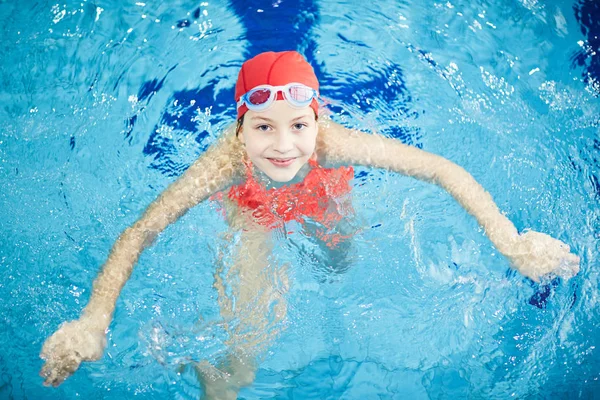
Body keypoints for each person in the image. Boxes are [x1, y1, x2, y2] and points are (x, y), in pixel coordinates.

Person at [39, 51, 580, 398]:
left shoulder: (332, 144)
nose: (282, 145)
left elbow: (440, 170)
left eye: (298, 124)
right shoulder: (223, 165)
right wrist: (95, 317)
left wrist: (508, 241)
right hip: (250, 216)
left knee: (343, 263)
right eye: (263, 127)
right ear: (240, 127)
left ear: (317, 118)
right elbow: (141, 231)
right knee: (247, 356)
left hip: (324, 200)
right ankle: (216, 381)